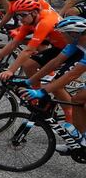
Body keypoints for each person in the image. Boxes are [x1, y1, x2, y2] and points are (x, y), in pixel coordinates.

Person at [22, 17, 86, 151]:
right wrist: (30, 80)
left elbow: (72, 74)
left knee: (80, 100)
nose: (61, 36)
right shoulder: (75, 43)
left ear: (74, 33)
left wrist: (43, 91)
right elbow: (55, 62)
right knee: (77, 100)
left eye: (63, 33)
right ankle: (79, 142)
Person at [0, 0, 69, 82]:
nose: (20, 19)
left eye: (23, 15)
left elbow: (28, 51)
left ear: (34, 13)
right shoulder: (29, 21)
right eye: (18, 16)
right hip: (59, 45)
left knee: (54, 85)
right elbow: (13, 44)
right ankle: (35, 94)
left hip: (73, 48)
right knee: (28, 65)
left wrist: (10, 71)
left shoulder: (44, 22)